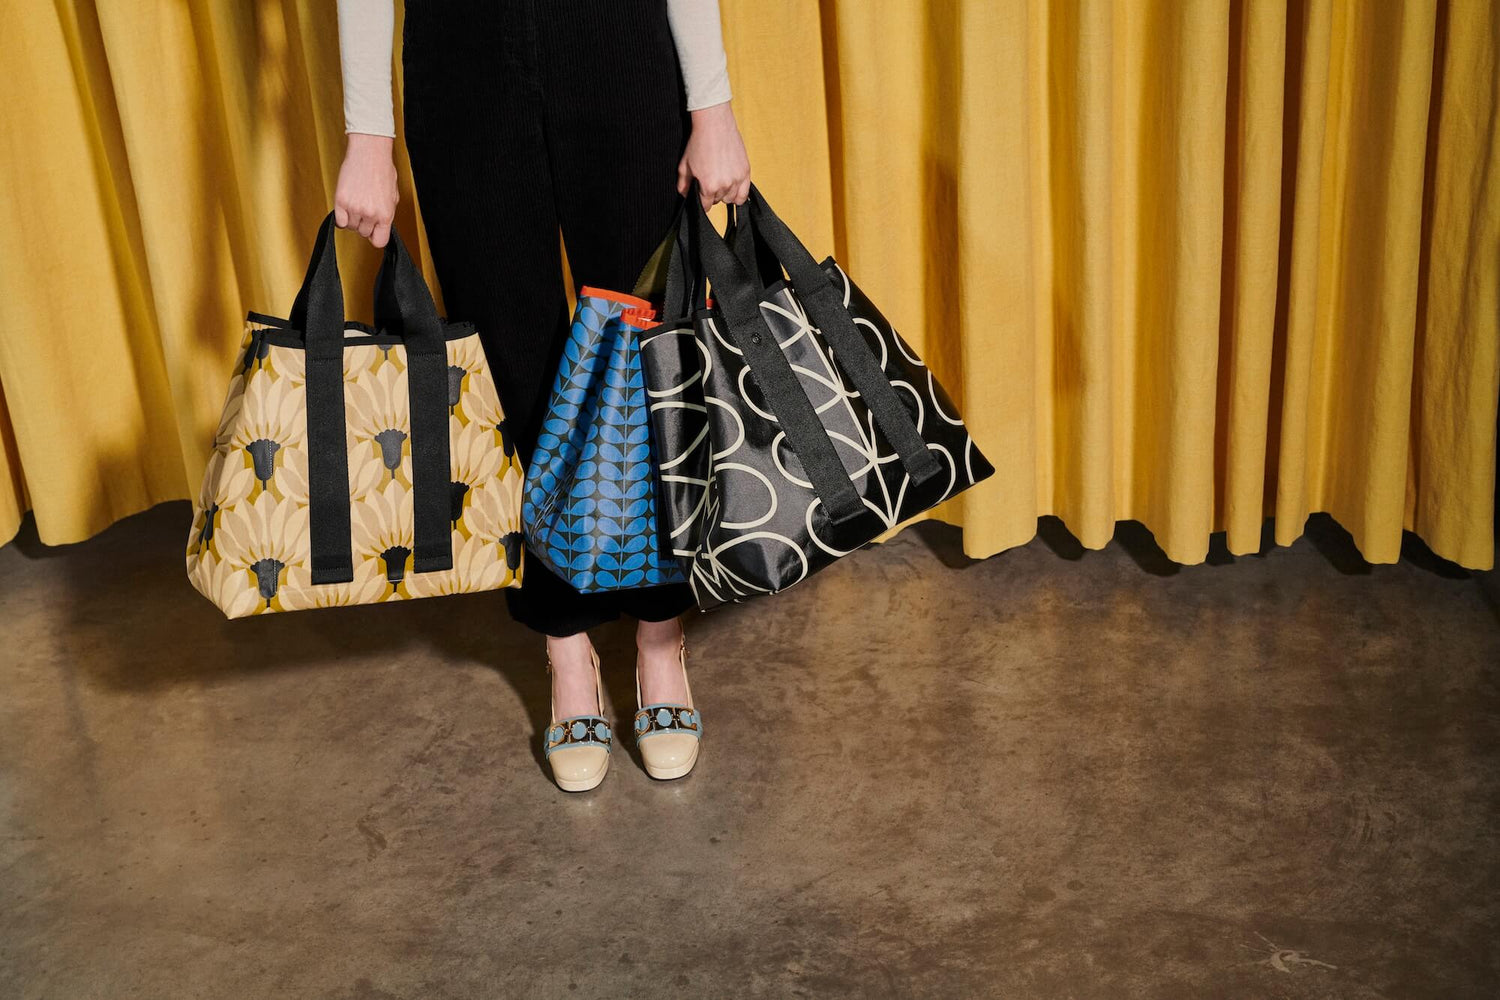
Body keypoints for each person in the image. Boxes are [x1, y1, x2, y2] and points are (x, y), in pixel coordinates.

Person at [333, 0, 751, 791]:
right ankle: (566, 645)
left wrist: (713, 103)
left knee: (645, 353)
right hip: (462, 58)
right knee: (508, 356)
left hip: (616, 36)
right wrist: (368, 133)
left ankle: (660, 637)